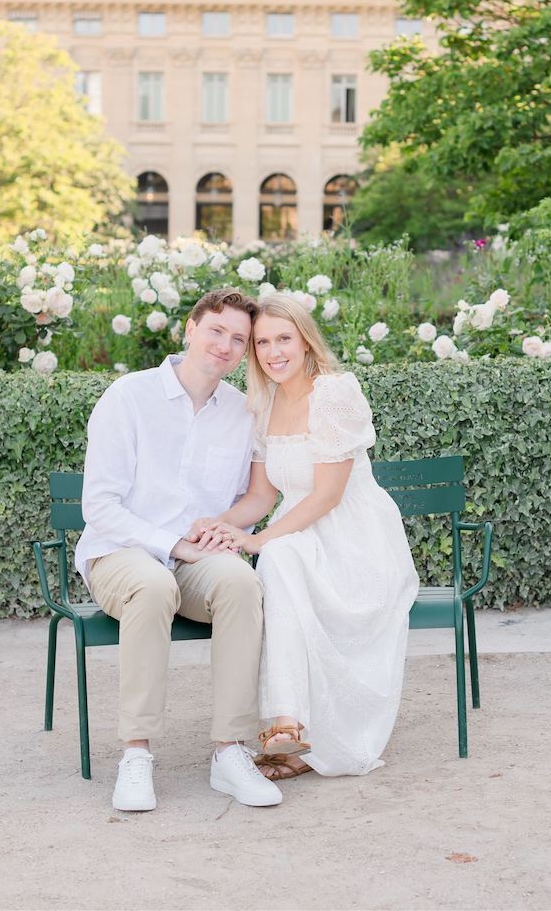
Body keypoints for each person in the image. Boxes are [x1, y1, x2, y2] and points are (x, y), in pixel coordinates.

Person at [75, 287, 283, 812]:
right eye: (217, 331)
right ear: (190, 330)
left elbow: (250, 498)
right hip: (120, 553)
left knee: (240, 581)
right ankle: (136, 754)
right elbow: (100, 506)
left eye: (238, 339)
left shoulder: (243, 412)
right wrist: (171, 544)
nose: (226, 345)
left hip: (196, 561)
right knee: (152, 582)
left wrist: (221, 529)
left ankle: (229, 752)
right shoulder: (129, 397)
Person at [196, 293, 419, 780]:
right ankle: (288, 726)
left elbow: (328, 496)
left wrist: (259, 541)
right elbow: (260, 495)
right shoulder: (264, 403)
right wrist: (225, 525)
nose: (274, 352)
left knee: (276, 558)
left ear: (305, 341)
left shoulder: (335, 393)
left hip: (355, 540)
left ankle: (288, 731)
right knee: (280, 561)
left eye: (284, 339)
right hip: (300, 541)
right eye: (262, 343)